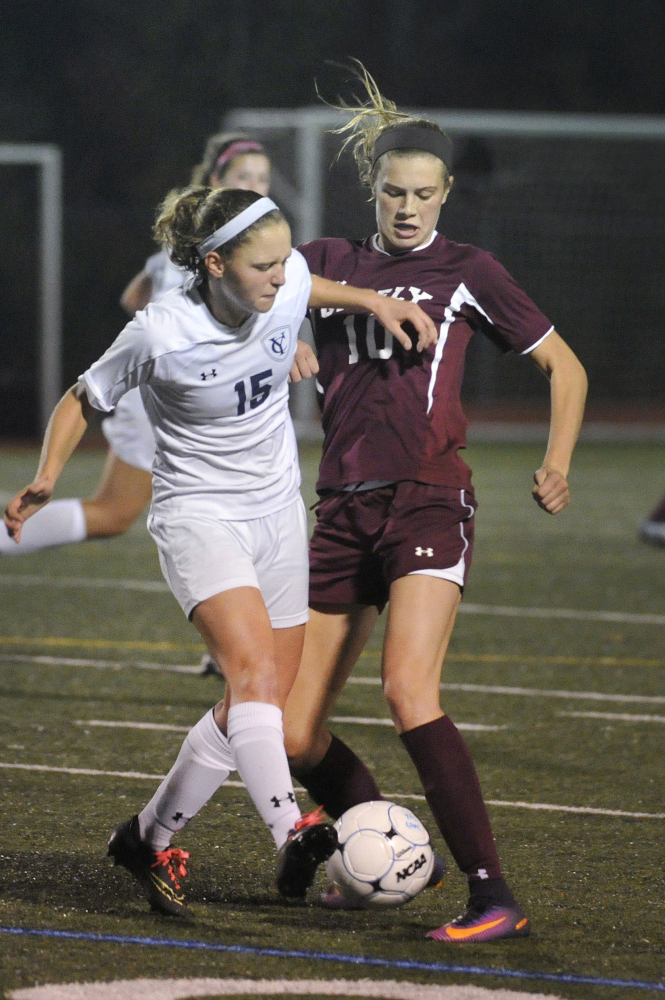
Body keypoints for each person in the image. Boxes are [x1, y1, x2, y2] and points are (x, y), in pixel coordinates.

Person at [3, 185, 437, 918]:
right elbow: (83, 396)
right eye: (263, 265)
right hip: (199, 518)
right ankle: (293, 829)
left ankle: (146, 838)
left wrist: (369, 301)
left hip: (276, 517)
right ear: (213, 264)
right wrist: (47, 475)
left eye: (283, 262)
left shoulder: (287, 281)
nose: (282, 275)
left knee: (254, 700)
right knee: (254, 674)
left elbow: (309, 280)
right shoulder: (160, 330)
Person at [277, 66, 588, 943]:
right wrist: (324, 309)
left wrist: (556, 460)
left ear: (446, 192)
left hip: (427, 499)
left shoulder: (468, 270)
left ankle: (495, 895)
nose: (407, 208)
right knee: (296, 735)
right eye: (392, 192)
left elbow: (566, 366)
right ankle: (392, 843)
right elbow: (252, 285)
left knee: (408, 690)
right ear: (369, 190)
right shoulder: (329, 262)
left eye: (423, 193)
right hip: (339, 507)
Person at [0, 133, 272, 621]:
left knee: (143, 512)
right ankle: (239, 635)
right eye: (245, 178)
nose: (257, 188)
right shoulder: (208, 248)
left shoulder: (207, 240)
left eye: (263, 179)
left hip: (195, 394)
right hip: (171, 398)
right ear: (217, 183)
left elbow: (133, 294)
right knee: (219, 506)